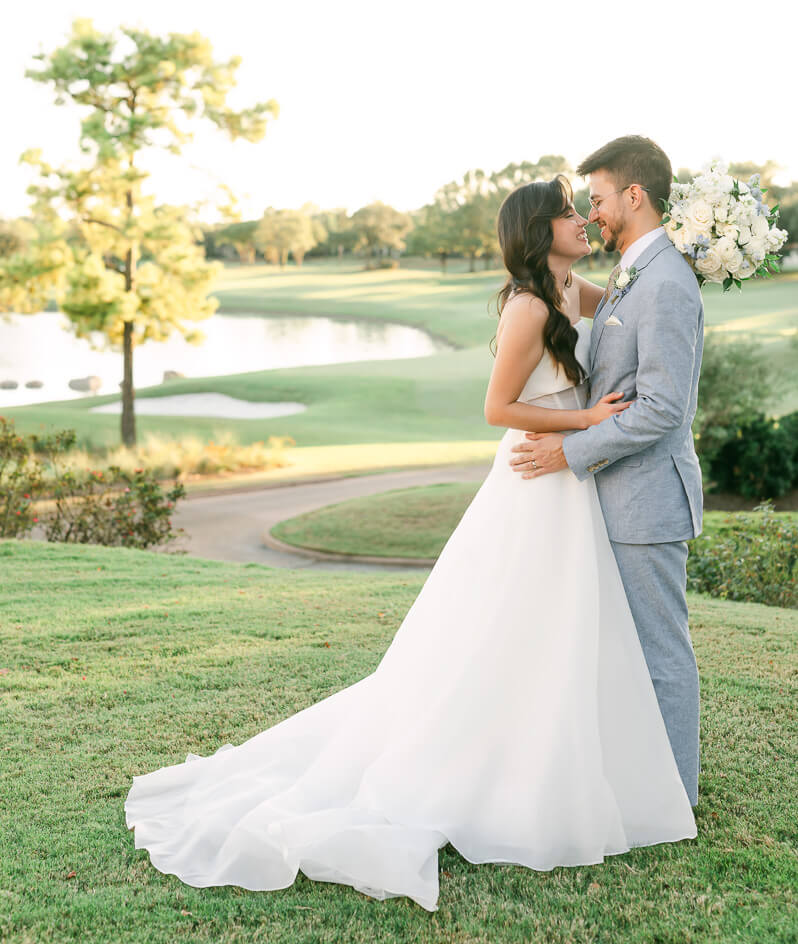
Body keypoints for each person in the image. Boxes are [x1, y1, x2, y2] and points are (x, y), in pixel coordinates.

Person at [125, 170, 697, 914]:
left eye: (584, 208)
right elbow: (499, 407)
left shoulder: (575, 290)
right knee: (509, 630)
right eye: (568, 214)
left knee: (559, 634)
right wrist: (588, 424)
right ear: (539, 231)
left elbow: (632, 300)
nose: (581, 220)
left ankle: (576, 760)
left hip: (572, 489)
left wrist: (690, 253)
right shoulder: (528, 307)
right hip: (536, 479)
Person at [509, 135, 703, 809]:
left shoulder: (669, 284)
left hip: (647, 501)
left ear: (634, 196)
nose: (590, 215)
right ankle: (623, 777)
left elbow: (662, 412)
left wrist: (569, 450)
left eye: (596, 200)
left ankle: (675, 795)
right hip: (611, 498)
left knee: (660, 656)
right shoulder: (631, 273)